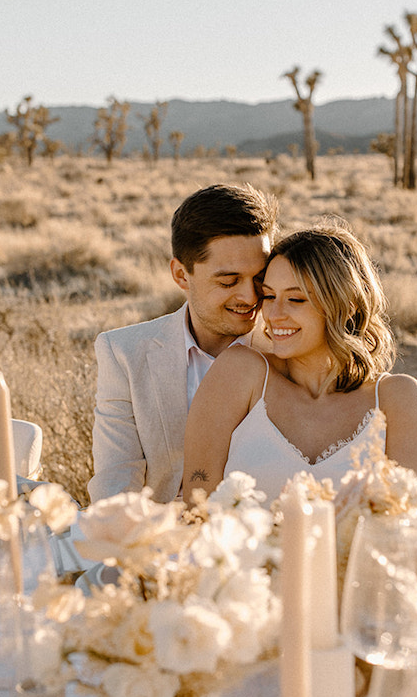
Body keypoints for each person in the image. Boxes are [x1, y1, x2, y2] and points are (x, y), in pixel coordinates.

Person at [182, 225, 417, 502]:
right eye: (269, 296)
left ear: (346, 304)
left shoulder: (397, 398)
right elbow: (198, 507)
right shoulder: (239, 373)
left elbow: (413, 520)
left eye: (295, 299)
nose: (274, 314)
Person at [88, 183, 277, 503]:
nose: (249, 296)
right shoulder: (123, 353)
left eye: (259, 278)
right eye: (228, 281)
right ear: (181, 275)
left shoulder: (288, 350)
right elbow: (115, 482)